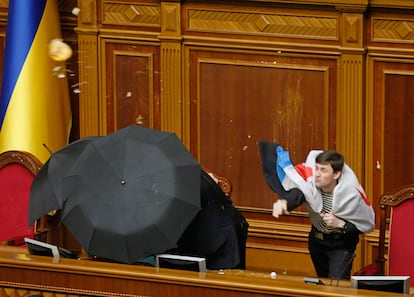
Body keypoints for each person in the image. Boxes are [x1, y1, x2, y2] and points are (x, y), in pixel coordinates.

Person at [259, 141, 375, 280]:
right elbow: (298, 194)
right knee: (322, 285)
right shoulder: (311, 184)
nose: (317, 174)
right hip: (317, 242)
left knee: (336, 286)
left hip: (340, 245)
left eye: (323, 170)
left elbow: (364, 225)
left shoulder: (351, 194)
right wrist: (285, 202)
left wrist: (340, 224)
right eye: (317, 168)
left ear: (336, 174)